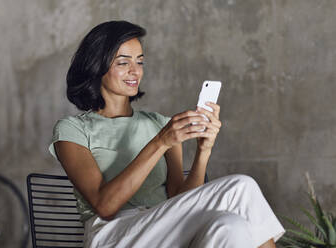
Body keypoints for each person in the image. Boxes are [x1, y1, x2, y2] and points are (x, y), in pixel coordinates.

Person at [49, 20, 285, 248]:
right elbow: (105, 206)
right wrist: (160, 142)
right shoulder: (72, 130)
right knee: (240, 187)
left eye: (140, 62)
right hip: (112, 235)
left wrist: (204, 150)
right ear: (96, 66)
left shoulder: (159, 123)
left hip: (165, 231)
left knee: (230, 225)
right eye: (123, 62)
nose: (135, 71)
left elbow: (180, 201)